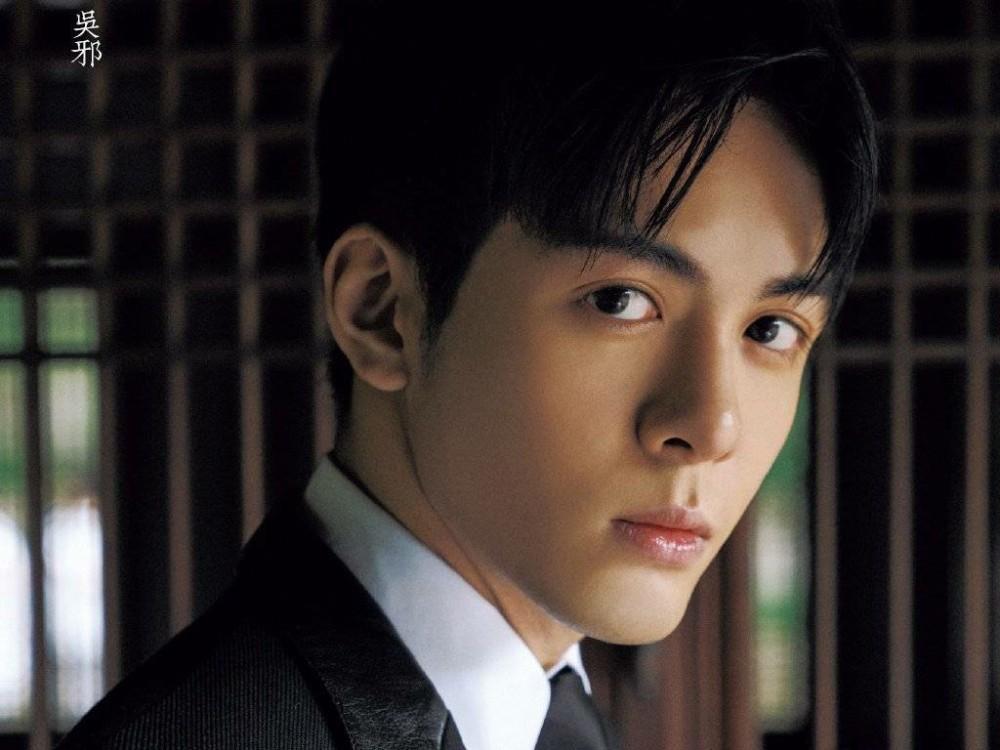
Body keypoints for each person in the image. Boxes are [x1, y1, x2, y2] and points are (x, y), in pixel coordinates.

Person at [57, 1, 878, 748]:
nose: (712, 424)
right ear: (383, 311)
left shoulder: (551, 719)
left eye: (771, 329)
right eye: (621, 300)